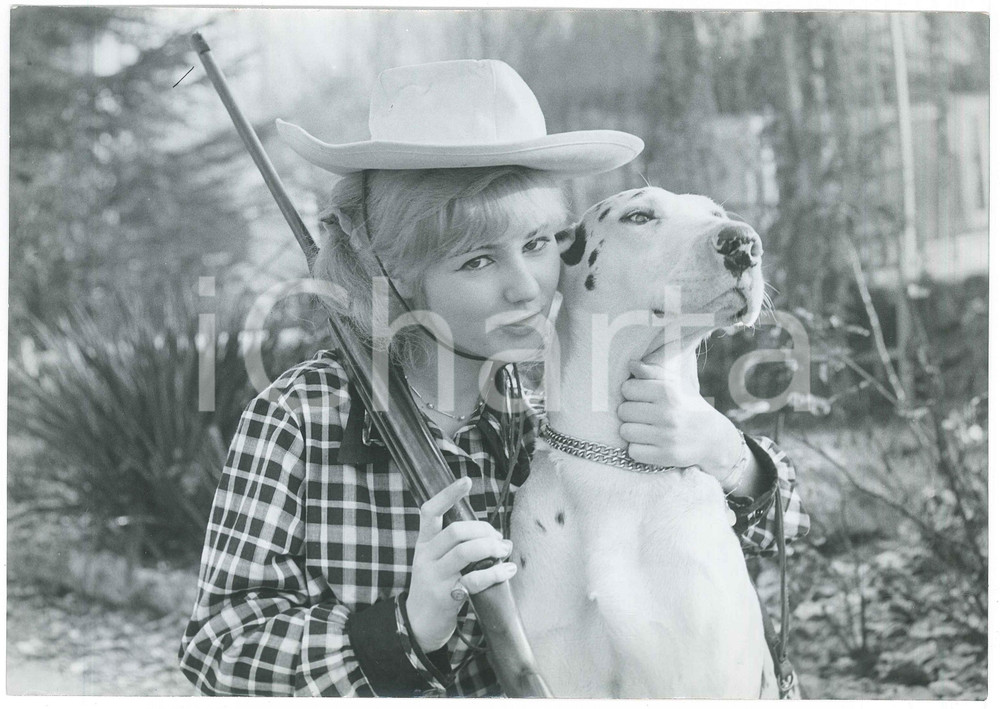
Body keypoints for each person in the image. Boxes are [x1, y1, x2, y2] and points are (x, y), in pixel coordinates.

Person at [179, 59, 809, 697]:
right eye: (477, 259)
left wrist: (729, 456)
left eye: (537, 244)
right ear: (387, 268)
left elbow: (775, 529)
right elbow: (217, 652)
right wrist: (405, 626)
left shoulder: (543, 416)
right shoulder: (300, 417)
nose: (524, 286)